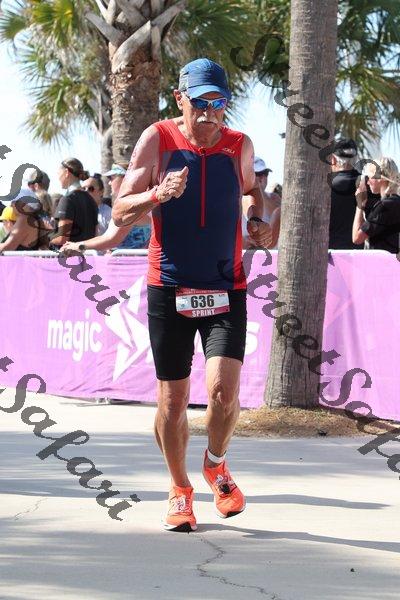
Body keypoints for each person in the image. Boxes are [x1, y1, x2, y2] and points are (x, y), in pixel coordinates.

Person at [112, 57, 272, 532]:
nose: (208, 112)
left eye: (218, 103)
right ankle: (179, 489)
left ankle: (215, 464)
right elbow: (120, 211)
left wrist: (256, 218)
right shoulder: (158, 139)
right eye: (199, 102)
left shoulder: (239, 144)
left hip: (226, 286)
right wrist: (157, 194)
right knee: (172, 402)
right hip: (170, 285)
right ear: (179, 99)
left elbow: (251, 192)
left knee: (223, 392)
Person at [353, 157, 400, 254]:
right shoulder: (395, 202)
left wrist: (360, 205)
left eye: (370, 177)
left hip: (382, 262)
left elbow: (356, 238)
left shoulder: (384, 206)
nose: (368, 182)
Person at [51, 158, 98, 248]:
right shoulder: (91, 200)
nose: (58, 178)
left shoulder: (67, 199)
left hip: (70, 255)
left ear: (66, 172)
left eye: (58, 173)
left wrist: (44, 236)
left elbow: (62, 238)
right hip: (88, 254)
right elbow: (95, 234)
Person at [104, 163, 151, 249]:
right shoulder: (140, 201)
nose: (109, 183)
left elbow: (110, 241)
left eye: (111, 178)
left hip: (127, 257)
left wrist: (80, 245)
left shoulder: (131, 206)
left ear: (124, 179)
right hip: (131, 256)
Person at [243, 157, 280, 249]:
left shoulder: (274, 197)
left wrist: (258, 192)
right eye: (258, 174)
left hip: (269, 249)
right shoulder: (240, 197)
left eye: (265, 173)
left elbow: (280, 216)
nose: (262, 178)